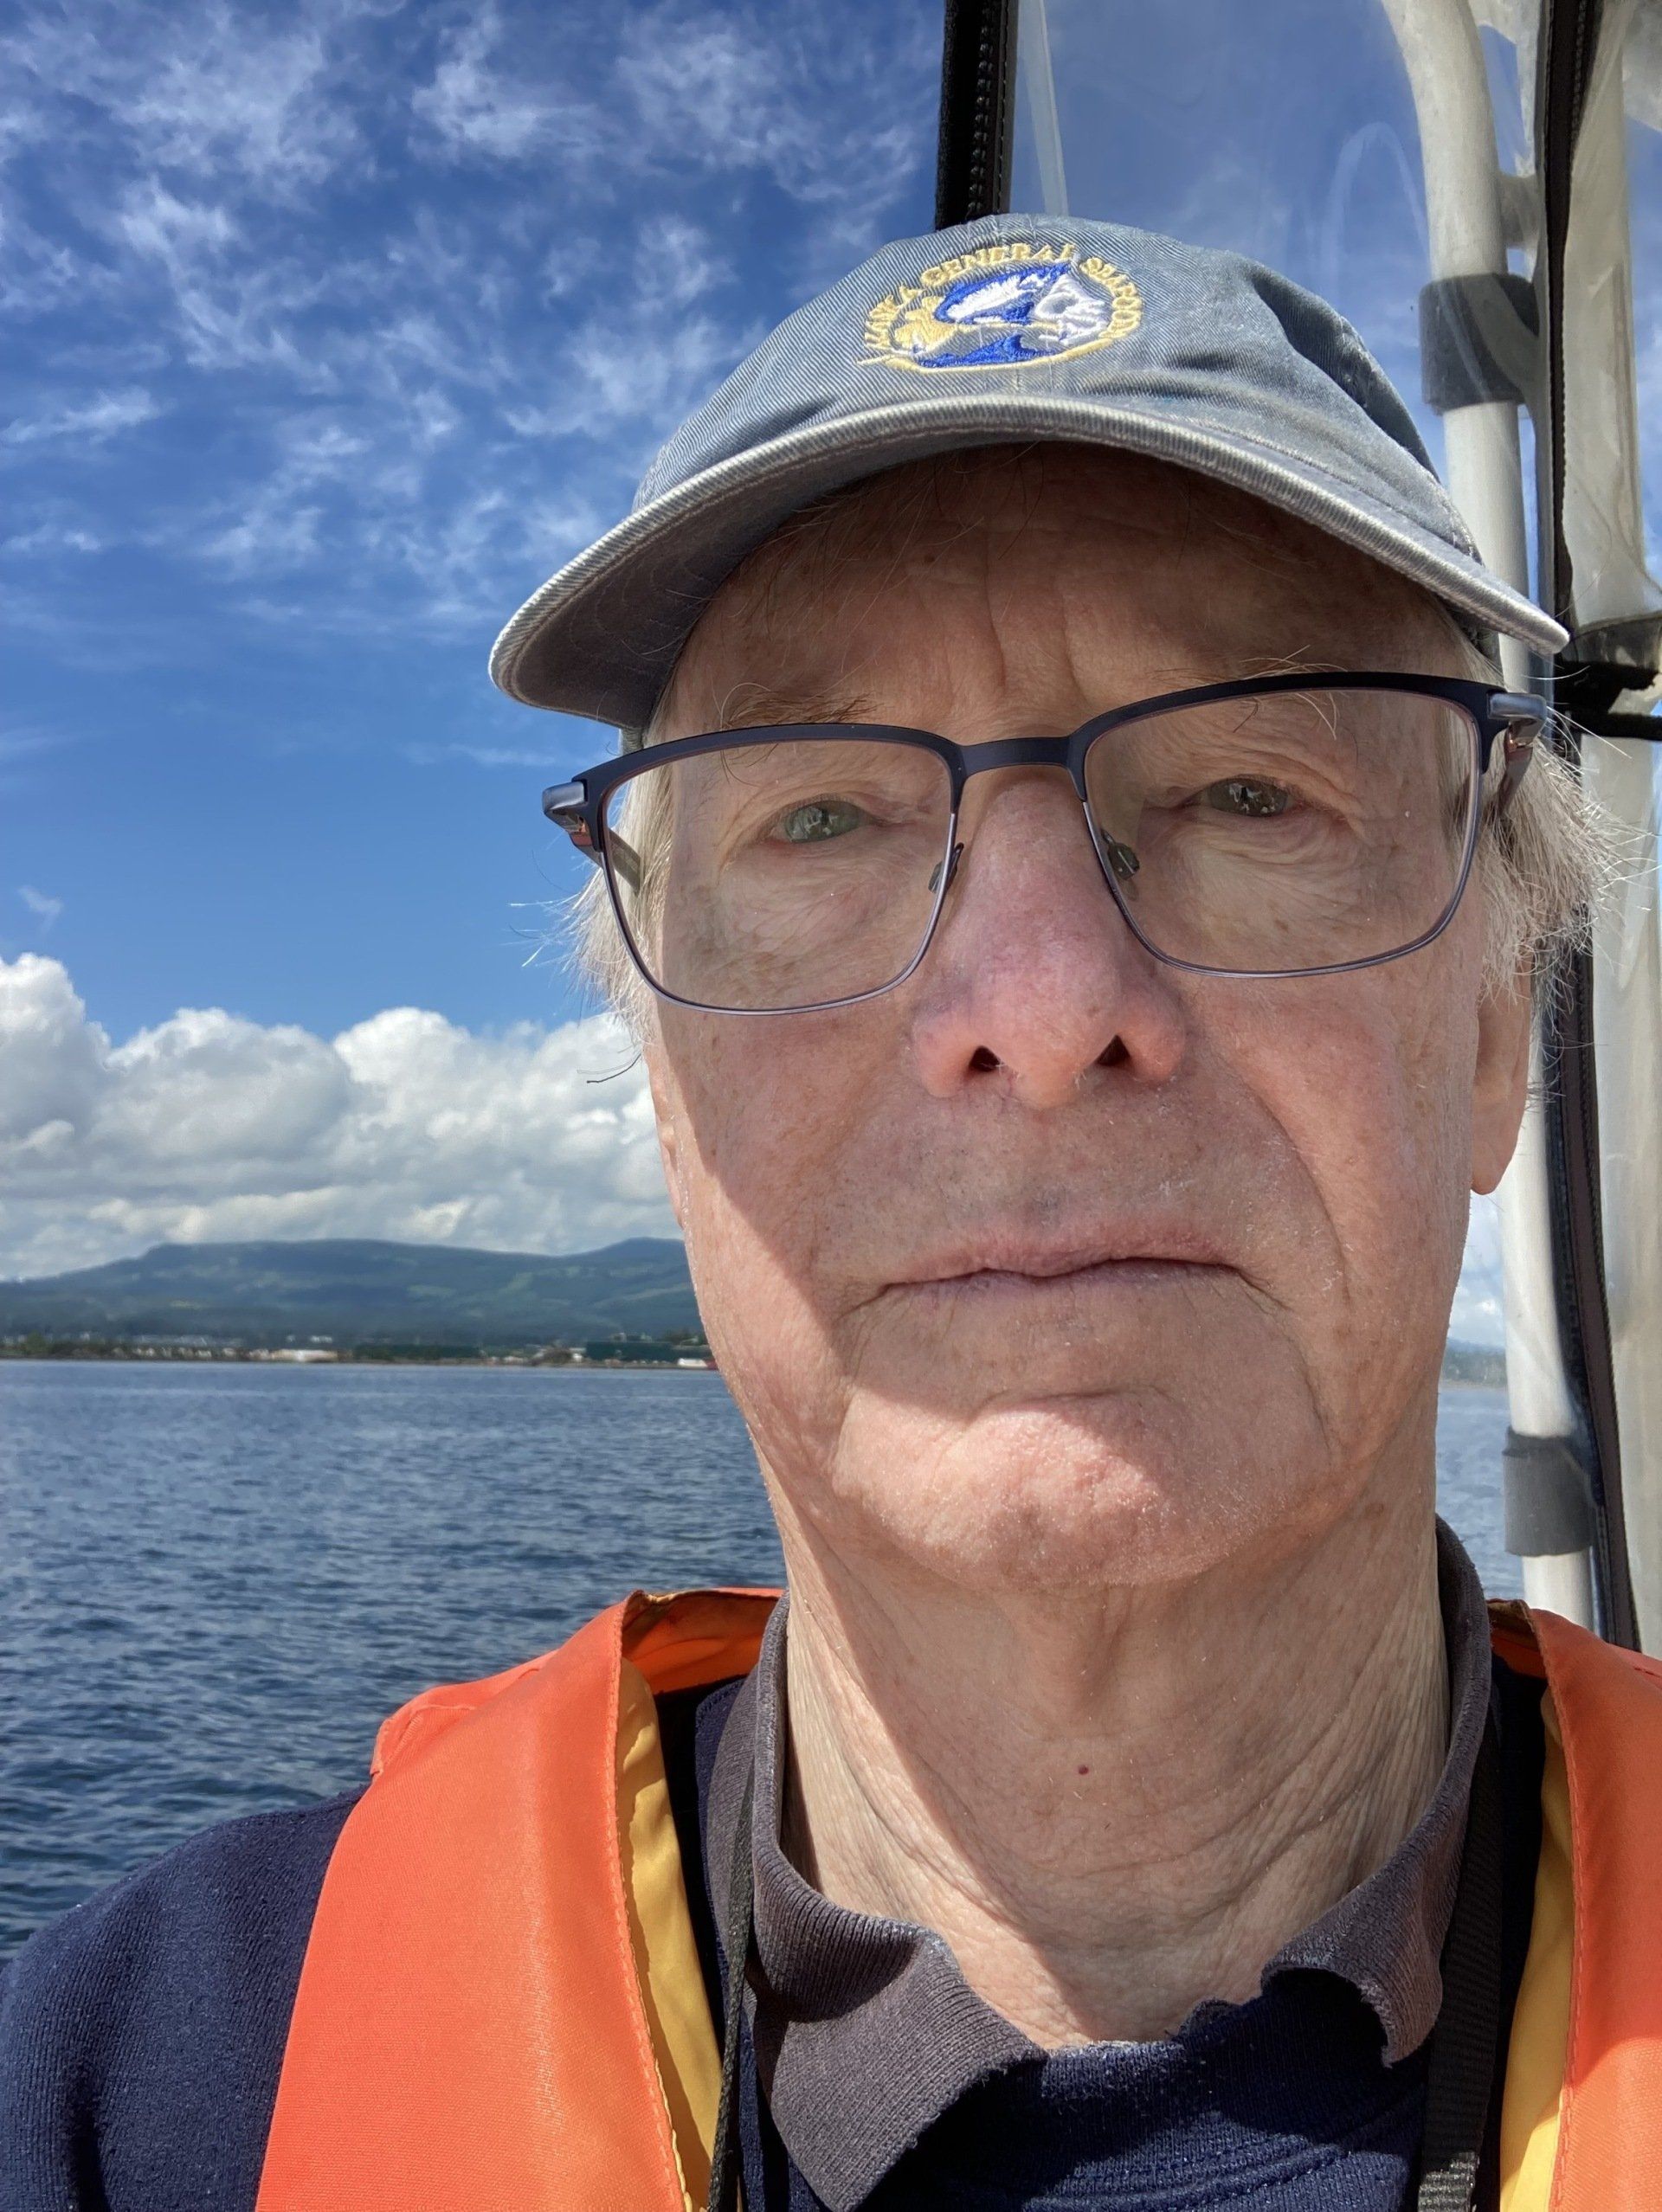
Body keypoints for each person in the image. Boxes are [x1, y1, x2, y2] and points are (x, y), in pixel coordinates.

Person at [3, 215, 1659, 2212]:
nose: (1037, 1007)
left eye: (1249, 792)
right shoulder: (146, 2097)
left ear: (1493, 1031)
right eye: (817, 819)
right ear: (665, 1088)